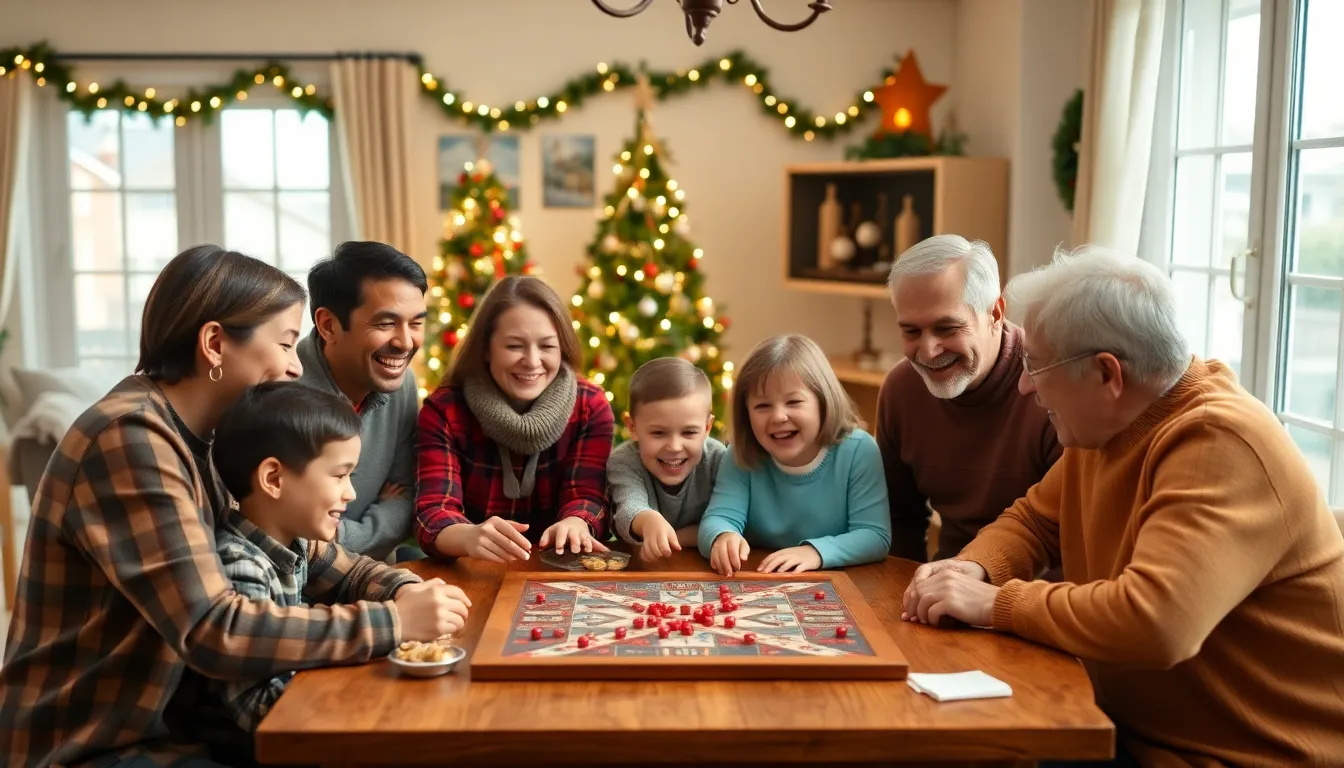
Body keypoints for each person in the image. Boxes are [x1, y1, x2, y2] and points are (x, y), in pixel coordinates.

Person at [0, 246, 465, 768]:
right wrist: (392, 623)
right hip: (95, 744)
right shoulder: (130, 438)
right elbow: (215, 628)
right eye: (286, 344)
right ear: (215, 344)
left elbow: (319, 558)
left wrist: (404, 590)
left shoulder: (208, 435)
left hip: (181, 725)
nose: (296, 367)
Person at [902, 246, 1344, 766]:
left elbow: (1156, 623)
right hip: (1124, 727)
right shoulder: (1108, 427)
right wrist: (970, 569)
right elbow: (1034, 521)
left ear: (1107, 374)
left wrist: (995, 604)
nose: (1024, 385)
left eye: (1035, 365)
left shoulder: (1218, 441)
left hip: (1241, 756)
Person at [203, 382, 469, 764]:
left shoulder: (293, 538)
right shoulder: (241, 566)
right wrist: (375, 662)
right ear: (274, 479)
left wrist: (407, 592)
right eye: (339, 476)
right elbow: (259, 707)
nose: (351, 494)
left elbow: (354, 573)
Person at [878, 235, 1060, 562]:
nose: (928, 351)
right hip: (946, 581)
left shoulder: (1056, 386)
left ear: (995, 313)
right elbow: (899, 522)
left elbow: (1071, 540)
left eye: (947, 328)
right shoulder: (901, 390)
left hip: (1040, 588)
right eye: (911, 331)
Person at [415, 275, 614, 561]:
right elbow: (433, 511)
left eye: (547, 346)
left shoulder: (590, 405)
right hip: (474, 567)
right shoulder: (444, 410)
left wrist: (577, 522)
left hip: (559, 565)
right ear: (486, 349)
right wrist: (468, 536)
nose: (532, 361)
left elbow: (588, 495)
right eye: (514, 346)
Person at [698, 334, 891, 576]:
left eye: (794, 402)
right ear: (746, 413)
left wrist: (815, 552)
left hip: (839, 581)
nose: (779, 416)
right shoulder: (741, 453)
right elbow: (717, 518)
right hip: (759, 576)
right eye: (762, 406)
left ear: (823, 402)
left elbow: (874, 536)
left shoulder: (858, 450)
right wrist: (722, 536)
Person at [299, 241, 427, 561]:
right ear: (328, 325)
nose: (406, 342)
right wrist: (373, 530)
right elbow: (296, 536)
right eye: (386, 323)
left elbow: (406, 497)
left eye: (416, 323)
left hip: (379, 574)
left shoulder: (402, 384)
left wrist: (337, 536)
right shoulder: (280, 394)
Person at [609, 357, 727, 562]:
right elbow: (628, 507)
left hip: (704, 564)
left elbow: (727, 519)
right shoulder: (623, 461)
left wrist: (677, 538)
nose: (674, 446)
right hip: (643, 566)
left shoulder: (719, 459)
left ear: (707, 427)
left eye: (689, 432)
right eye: (658, 433)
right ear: (633, 427)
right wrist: (648, 521)